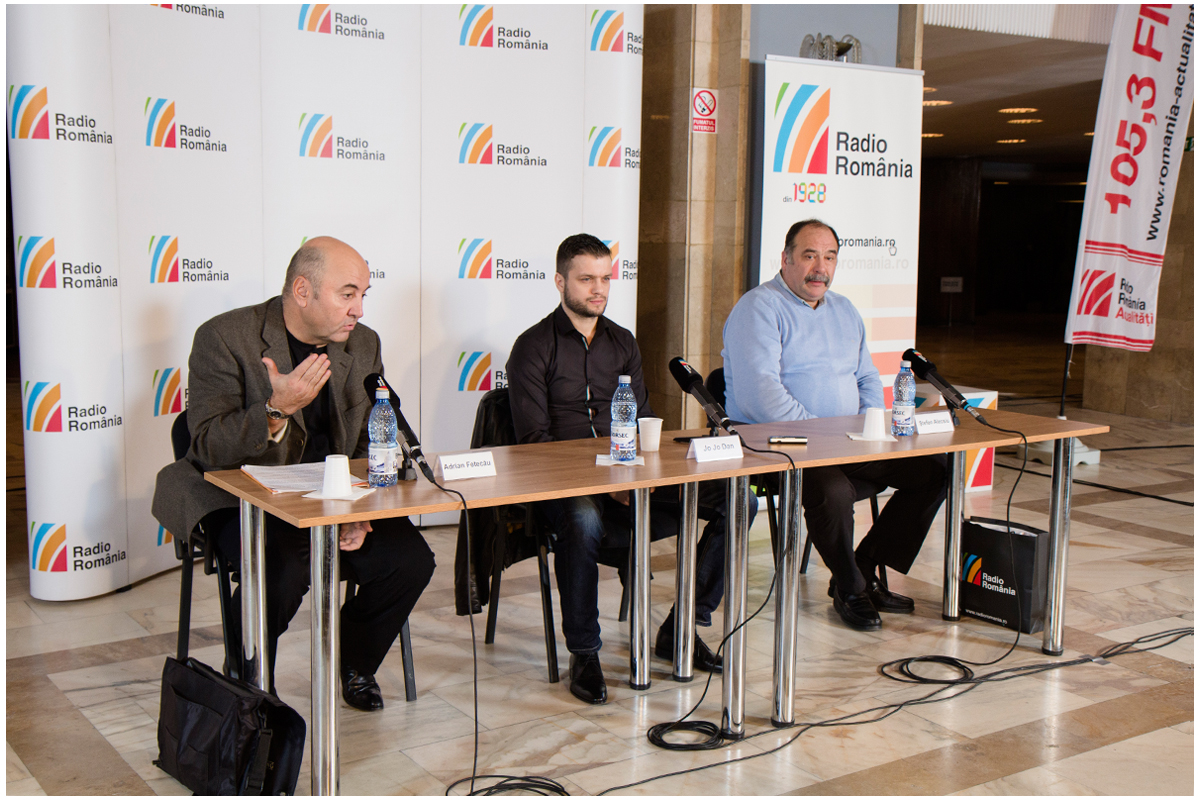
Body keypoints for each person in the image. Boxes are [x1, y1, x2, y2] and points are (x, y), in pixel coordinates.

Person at [152, 237, 435, 711]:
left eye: (363, 295)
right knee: (283, 567)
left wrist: (359, 508)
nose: (359, 309)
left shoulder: (363, 343)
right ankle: (249, 678)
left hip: (332, 495)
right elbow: (206, 447)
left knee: (410, 562)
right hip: (243, 496)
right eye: (348, 294)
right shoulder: (225, 338)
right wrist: (274, 411)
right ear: (302, 290)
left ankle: (354, 662)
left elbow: (368, 436)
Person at [507, 233, 741, 705]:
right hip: (564, 486)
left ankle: (682, 626)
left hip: (627, 476)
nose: (599, 289)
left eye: (605, 278)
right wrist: (608, 481)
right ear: (560, 282)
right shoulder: (533, 346)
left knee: (738, 500)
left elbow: (640, 422)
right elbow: (535, 446)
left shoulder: (622, 341)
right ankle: (585, 652)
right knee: (582, 517)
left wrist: (642, 473)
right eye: (586, 279)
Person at [721, 219, 946, 631]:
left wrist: (869, 427)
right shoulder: (758, 308)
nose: (820, 268)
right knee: (833, 491)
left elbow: (866, 377)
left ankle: (865, 565)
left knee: (934, 470)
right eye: (809, 256)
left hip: (848, 442)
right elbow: (760, 395)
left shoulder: (844, 309)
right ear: (786, 259)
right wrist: (828, 436)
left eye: (829, 257)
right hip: (779, 447)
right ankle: (850, 586)